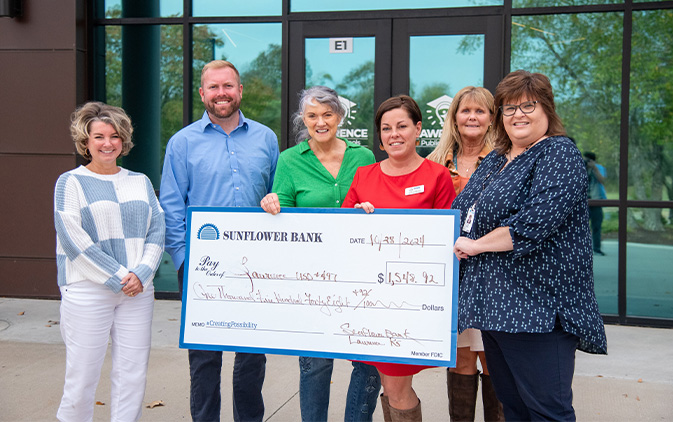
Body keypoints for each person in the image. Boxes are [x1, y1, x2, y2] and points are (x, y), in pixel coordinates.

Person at [452, 70, 607, 421]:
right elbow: (460, 214)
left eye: (528, 105)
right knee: (515, 408)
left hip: (537, 312)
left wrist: (476, 246)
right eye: (508, 108)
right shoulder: (495, 160)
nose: (518, 114)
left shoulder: (559, 154)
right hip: (494, 311)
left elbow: (532, 224)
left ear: (547, 109)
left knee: (547, 412)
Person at [160, 60, 279, 422]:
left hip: (256, 267)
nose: (221, 93)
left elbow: (278, 195)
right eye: (213, 87)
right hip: (202, 266)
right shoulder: (182, 143)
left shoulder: (266, 138)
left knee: (251, 356)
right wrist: (182, 260)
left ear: (240, 90)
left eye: (228, 86)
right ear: (202, 93)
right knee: (205, 358)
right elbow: (170, 205)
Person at [260, 86, 381, 421]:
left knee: (368, 361)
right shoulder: (289, 160)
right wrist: (271, 204)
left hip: (361, 276)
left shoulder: (364, 157)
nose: (320, 121)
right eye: (312, 115)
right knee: (315, 365)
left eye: (327, 114)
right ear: (304, 119)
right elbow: (280, 209)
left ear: (339, 117)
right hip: (312, 280)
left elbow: (374, 205)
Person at [342, 95, 456, 421]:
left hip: (411, 302)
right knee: (390, 382)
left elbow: (444, 242)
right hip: (369, 300)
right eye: (386, 128)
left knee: (395, 383)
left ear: (418, 129)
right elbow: (341, 231)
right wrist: (355, 216)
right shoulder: (364, 176)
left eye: (402, 126)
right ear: (379, 136)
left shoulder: (437, 176)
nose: (394, 134)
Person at [54, 102, 165, 421]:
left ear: (123, 140)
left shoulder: (140, 181)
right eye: (98, 136)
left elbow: (157, 228)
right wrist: (120, 276)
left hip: (137, 292)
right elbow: (73, 240)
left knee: (132, 376)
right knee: (81, 379)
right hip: (88, 292)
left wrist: (142, 274)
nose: (107, 143)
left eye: (114, 135)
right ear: (85, 142)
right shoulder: (70, 183)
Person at [427, 86, 504, 422]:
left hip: (492, 275)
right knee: (459, 358)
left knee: (491, 356)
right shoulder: (434, 162)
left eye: (480, 111)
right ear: (454, 117)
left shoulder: (506, 161)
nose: (472, 117)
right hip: (452, 276)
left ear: (491, 119)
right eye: (465, 111)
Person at [584, 151, 607, 256]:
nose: (587, 162)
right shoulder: (580, 167)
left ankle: (596, 248)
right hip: (584, 201)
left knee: (596, 225)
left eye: (589, 160)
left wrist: (594, 168)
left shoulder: (599, 168)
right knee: (581, 226)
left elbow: (602, 180)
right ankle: (583, 249)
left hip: (596, 199)